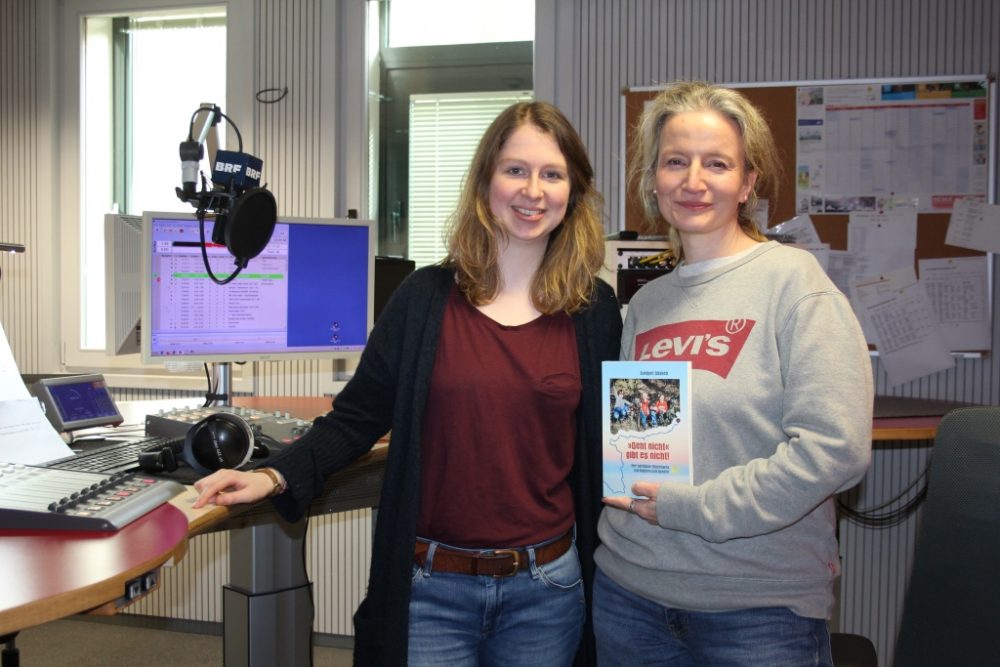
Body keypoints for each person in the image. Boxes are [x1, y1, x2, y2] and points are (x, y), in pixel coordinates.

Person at [193, 101, 622, 667]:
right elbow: (356, 417)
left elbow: (612, 449)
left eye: (552, 174)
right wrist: (273, 475)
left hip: (547, 590)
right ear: (485, 181)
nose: (532, 190)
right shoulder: (425, 298)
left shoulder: (594, 312)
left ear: (574, 191)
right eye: (515, 170)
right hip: (430, 589)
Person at [593, 81, 873, 666]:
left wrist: (690, 508)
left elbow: (835, 451)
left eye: (716, 164)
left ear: (747, 183)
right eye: (675, 162)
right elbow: (643, 438)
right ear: (652, 180)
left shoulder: (794, 284)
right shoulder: (648, 302)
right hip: (629, 594)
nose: (693, 181)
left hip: (755, 610)